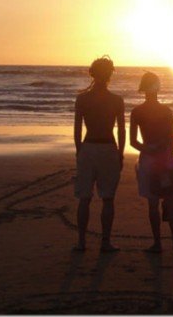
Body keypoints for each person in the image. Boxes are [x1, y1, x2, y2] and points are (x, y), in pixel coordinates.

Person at [130, 71, 173, 254]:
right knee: (170, 200)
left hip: (148, 158)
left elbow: (133, 142)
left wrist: (149, 150)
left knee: (153, 202)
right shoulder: (166, 111)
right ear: (158, 87)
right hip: (165, 157)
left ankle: (157, 243)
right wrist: (165, 155)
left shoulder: (137, 111)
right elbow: (170, 142)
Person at [73, 56, 125, 252]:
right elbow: (121, 131)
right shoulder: (116, 100)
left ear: (92, 73)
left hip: (89, 147)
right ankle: (105, 242)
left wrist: (80, 152)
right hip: (108, 148)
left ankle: (81, 242)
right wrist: (120, 153)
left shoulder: (82, 99)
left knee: (85, 198)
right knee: (108, 198)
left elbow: (77, 131)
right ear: (110, 74)